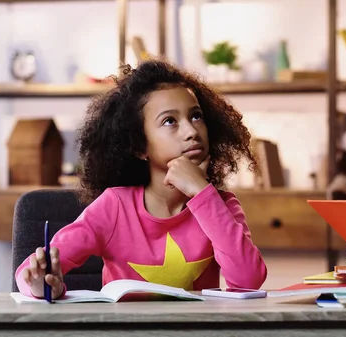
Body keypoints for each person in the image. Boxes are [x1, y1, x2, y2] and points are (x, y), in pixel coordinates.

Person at [15, 58, 268, 299]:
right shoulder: (114, 207)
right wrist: (42, 284)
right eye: (170, 121)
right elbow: (29, 272)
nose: (192, 131)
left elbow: (248, 280)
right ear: (139, 147)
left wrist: (202, 195)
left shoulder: (221, 205)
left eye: (196, 116)